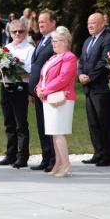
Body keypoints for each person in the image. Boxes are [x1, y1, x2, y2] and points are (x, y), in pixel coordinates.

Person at [35, 26, 78, 177]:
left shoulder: (69, 57)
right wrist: (38, 88)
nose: (53, 44)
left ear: (65, 42)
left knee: (58, 133)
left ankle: (66, 164)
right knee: (54, 132)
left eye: (56, 41)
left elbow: (63, 78)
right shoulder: (53, 57)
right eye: (52, 41)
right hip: (50, 98)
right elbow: (43, 77)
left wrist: (45, 90)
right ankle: (58, 163)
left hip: (62, 99)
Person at [0, 20, 33, 168]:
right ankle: (10, 155)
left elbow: (29, 72)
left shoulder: (29, 49)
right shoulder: (6, 48)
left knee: (20, 124)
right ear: (10, 33)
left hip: (20, 88)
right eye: (14, 31)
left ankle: (22, 156)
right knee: (8, 123)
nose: (17, 34)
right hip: (5, 87)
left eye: (20, 31)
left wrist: (12, 72)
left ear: (26, 32)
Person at [78, 13, 110, 167]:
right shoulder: (87, 41)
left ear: (102, 23)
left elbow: (105, 60)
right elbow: (82, 61)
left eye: (93, 23)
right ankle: (98, 153)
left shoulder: (109, 38)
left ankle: (107, 156)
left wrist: (90, 77)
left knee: (105, 122)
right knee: (93, 123)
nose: (90, 26)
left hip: (102, 88)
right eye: (88, 23)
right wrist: (80, 74)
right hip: (89, 88)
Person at [28, 9, 57, 172]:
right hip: (38, 92)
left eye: (43, 21)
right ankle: (46, 157)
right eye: (39, 22)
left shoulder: (55, 40)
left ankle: (53, 159)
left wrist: (43, 88)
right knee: (41, 125)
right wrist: (32, 91)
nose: (40, 24)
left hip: (48, 92)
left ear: (53, 23)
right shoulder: (43, 40)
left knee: (50, 126)